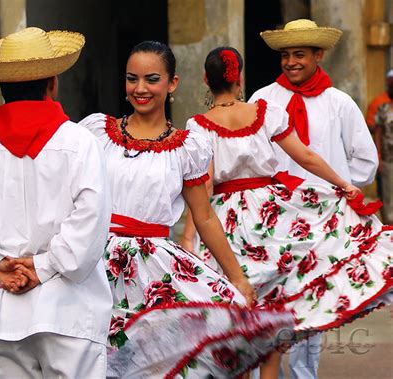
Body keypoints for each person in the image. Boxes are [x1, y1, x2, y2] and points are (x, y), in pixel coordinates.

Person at [77, 41, 295, 378]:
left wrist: (237, 279)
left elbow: (205, 216)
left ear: (172, 83)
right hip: (95, 265)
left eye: (151, 79)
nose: (140, 89)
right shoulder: (96, 133)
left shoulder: (186, 147)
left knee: (156, 364)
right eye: (131, 79)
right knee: (95, 362)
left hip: (152, 270)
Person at [181, 45, 393, 379]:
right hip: (271, 215)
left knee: (236, 318)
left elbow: (203, 186)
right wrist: (343, 184)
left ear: (206, 80)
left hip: (227, 223)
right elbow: (306, 156)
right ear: (240, 78)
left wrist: (190, 236)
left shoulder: (199, 126)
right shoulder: (264, 112)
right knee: (272, 319)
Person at [0, 27, 113, 378]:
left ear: (1, 88)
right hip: (70, 311)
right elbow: (89, 228)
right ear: (53, 84)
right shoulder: (80, 144)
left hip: (4, 312)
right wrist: (42, 266)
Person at [248, 18, 380, 379]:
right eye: (286, 55)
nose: (291, 62)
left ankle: (305, 374)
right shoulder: (262, 99)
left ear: (318, 55)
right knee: (268, 296)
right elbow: (248, 152)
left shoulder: (340, 103)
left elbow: (366, 160)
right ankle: (265, 373)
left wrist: (337, 191)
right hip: (274, 217)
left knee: (311, 300)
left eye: (300, 55)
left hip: (323, 220)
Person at [374, 92, 393, 224]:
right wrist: (378, 156)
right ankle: (389, 227)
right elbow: (378, 133)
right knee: (388, 195)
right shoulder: (383, 109)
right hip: (388, 158)